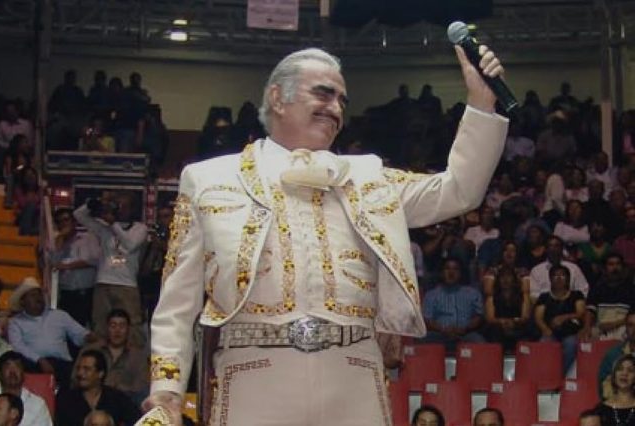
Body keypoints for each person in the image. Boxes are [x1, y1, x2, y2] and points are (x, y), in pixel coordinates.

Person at [144, 45, 509, 425]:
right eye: (323, 93)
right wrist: (166, 388)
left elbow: (458, 191)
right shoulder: (208, 179)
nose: (335, 108)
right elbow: (178, 301)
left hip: (352, 373)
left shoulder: (367, 177)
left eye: (341, 101)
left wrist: (482, 104)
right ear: (277, 98)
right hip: (253, 373)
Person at [73, 192, 148, 345]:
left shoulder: (140, 228)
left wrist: (114, 225)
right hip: (104, 282)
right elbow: (78, 215)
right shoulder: (104, 228)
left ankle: (134, 356)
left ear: (132, 209)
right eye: (117, 205)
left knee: (132, 325)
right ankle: (100, 355)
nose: (120, 209)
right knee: (100, 324)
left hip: (126, 284)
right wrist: (97, 201)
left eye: (124, 206)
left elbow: (130, 245)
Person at [7, 277, 97, 389]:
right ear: (23, 301)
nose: (38, 298)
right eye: (33, 295)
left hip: (63, 365)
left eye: (39, 294)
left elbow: (79, 333)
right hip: (32, 365)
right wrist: (39, 360)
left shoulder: (59, 315)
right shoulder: (16, 322)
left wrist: (88, 336)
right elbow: (18, 346)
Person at [55, 349, 140, 426]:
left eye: (86, 369)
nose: (80, 373)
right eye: (78, 368)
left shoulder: (116, 398)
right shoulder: (66, 399)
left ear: (100, 373)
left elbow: (139, 420)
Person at [82, 309, 149, 405]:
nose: (117, 331)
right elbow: (76, 380)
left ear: (128, 329)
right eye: (113, 326)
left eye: (122, 326)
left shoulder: (138, 356)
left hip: (125, 404)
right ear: (107, 328)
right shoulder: (91, 350)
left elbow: (141, 389)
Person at [0, 351, 52, 426]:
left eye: (17, 366)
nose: (12, 371)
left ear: (23, 373)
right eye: (7, 366)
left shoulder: (37, 405)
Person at [421, 257, 485, 350]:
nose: (451, 272)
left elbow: (478, 316)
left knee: (479, 342)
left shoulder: (473, 293)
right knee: (423, 341)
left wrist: (465, 328)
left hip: (466, 334)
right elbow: (427, 319)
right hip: (440, 335)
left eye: (455, 269)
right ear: (442, 272)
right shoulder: (431, 295)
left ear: (461, 273)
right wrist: (443, 329)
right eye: (447, 268)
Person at [50, 207, 100, 327]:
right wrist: (60, 241)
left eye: (66, 220)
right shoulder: (57, 241)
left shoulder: (88, 237)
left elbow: (94, 260)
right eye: (59, 221)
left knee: (84, 326)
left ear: (74, 221)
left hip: (85, 291)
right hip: (66, 292)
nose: (63, 224)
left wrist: (68, 266)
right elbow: (54, 264)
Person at [534, 264, 587, 374]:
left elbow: (580, 312)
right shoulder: (544, 297)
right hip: (551, 332)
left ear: (568, 279)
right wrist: (545, 329)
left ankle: (563, 375)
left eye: (562, 275)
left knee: (571, 344)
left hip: (571, 332)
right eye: (555, 275)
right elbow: (538, 317)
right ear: (550, 279)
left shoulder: (576, 295)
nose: (558, 278)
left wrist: (563, 318)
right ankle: (548, 375)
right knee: (544, 342)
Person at [599, 311, 635, 399]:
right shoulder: (613, 355)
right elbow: (604, 389)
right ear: (625, 328)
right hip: (619, 403)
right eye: (631, 325)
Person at [594, 354, 635, 426]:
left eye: (630, 370)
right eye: (620, 369)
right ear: (614, 375)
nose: (624, 373)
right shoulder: (600, 410)